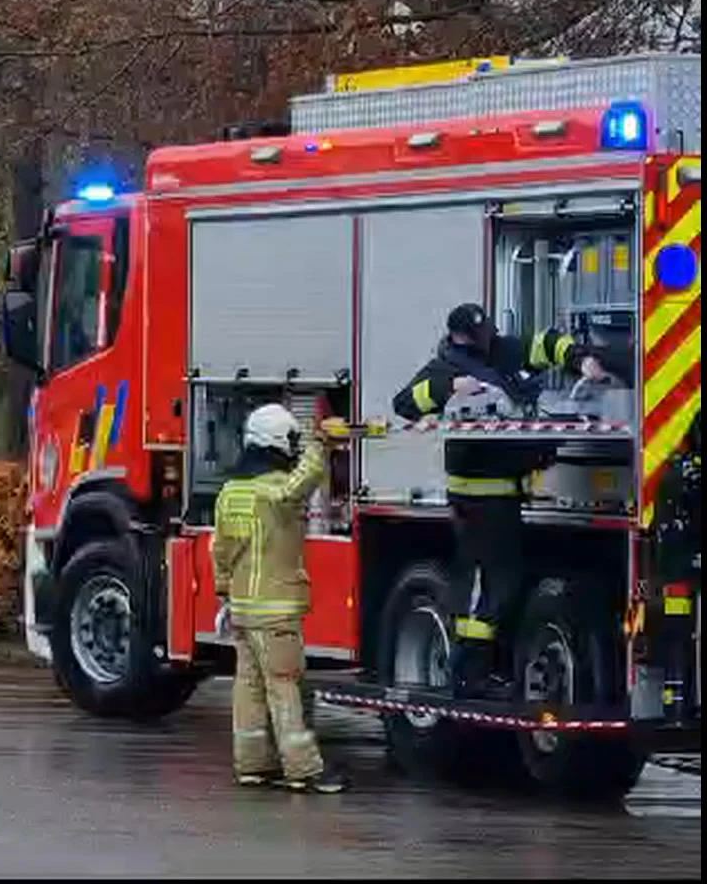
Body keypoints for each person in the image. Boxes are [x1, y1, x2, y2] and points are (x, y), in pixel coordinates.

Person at [392, 302, 627, 698]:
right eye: (476, 335)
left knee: (502, 581)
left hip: (506, 492)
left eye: (487, 333)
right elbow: (405, 404)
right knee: (491, 583)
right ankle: (469, 672)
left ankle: (479, 668)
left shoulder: (503, 351)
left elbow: (545, 345)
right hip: (477, 495)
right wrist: (448, 390)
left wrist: (579, 358)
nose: (485, 340)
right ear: (458, 336)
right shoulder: (446, 367)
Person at [213, 403, 348, 793]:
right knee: (285, 685)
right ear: (276, 441)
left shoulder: (229, 492)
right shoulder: (274, 492)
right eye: (291, 440)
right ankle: (304, 769)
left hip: (242, 608)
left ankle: (253, 765)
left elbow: (219, 551)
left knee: (249, 688)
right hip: (275, 611)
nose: (293, 447)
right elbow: (298, 485)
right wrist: (321, 445)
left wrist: (225, 595)